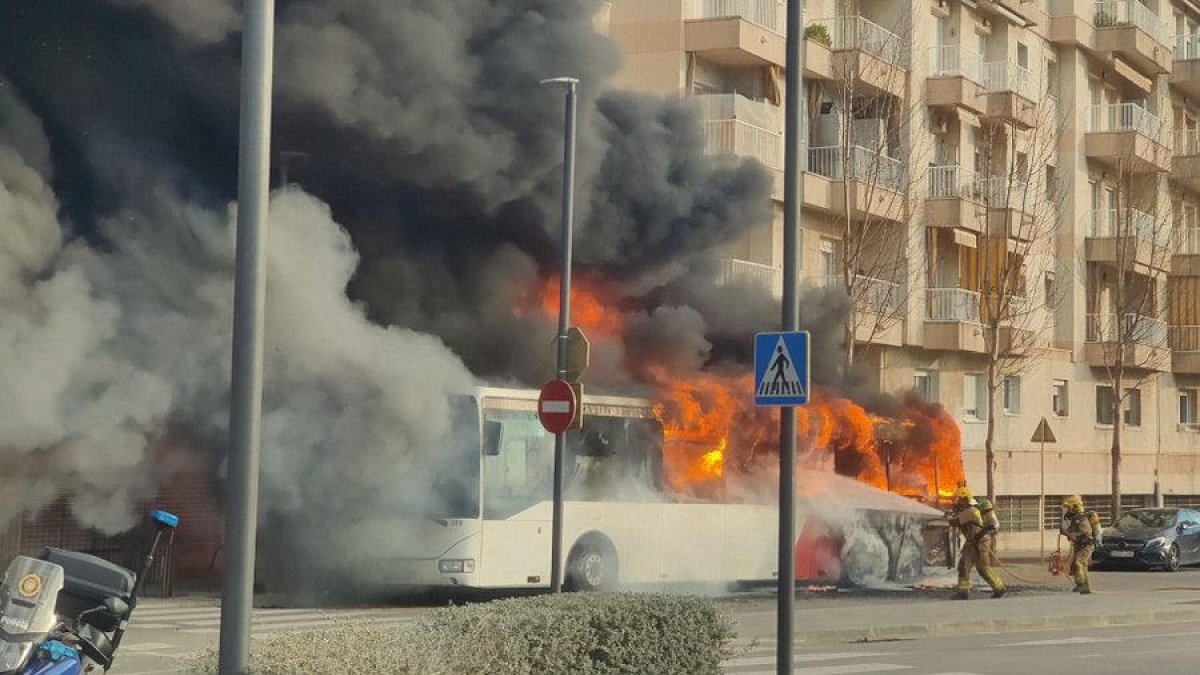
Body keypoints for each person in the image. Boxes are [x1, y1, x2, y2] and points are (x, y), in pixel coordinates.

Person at [949, 486, 1006, 599]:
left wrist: (948, 517)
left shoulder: (970, 511)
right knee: (963, 565)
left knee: (983, 568)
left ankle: (999, 588)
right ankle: (963, 592)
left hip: (981, 543)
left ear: (965, 499)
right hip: (971, 543)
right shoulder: (966, 511)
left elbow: (954, 522)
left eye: (959, 499)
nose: (957, 502)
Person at [1060, 495, 1096, 594]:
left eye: (1068, 508)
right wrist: (1065, 531)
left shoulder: (1081, 519)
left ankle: (1082, 585)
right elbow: (1070, 531)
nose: (1066, 510)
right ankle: (1083, 586)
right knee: (1080, 565)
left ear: (1074, 507)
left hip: (1086, 546)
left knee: (1079, 563)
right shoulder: (1074, 519)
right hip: (1080, 546)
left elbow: (1086, 532)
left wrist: (1072, 535)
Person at [976, 497, 1000, 566]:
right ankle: (989, 563)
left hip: (992, 530)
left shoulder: (990, 514)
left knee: (990, 548)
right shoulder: (987, 513)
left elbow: (993, 525)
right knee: (989, 548)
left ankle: (991, 564)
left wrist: (986, 530)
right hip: (990, 530)